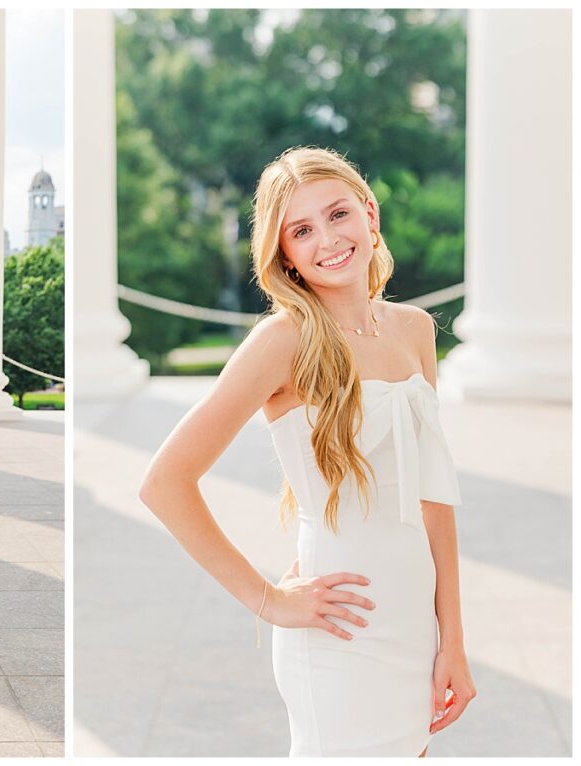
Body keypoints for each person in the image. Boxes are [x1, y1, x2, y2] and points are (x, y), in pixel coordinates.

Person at [139, 146, 476, 756]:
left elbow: (435, 501)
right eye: (301, 229)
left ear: (370, 214)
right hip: (338, 633)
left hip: (414, 626)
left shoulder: (415, 330)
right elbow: (165, 482)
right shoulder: (283, 341)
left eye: (338, 213)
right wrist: (267, 599)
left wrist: (452, 638)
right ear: (284, 254)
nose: (328, 238)